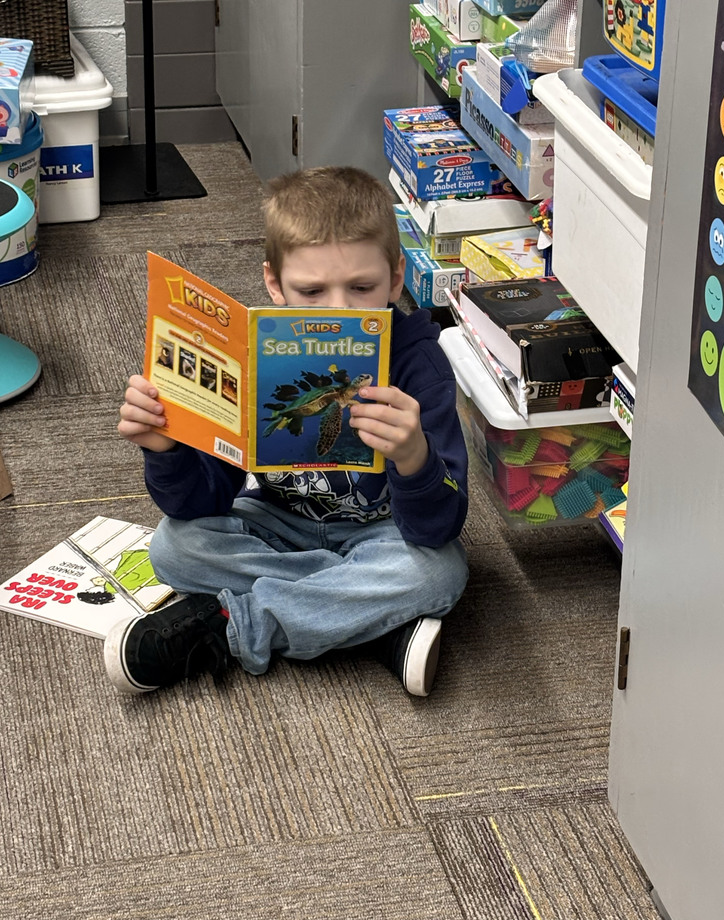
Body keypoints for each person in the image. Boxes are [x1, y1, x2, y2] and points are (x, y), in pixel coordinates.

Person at [108, 166, 469, 697]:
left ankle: (236, 626)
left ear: (396, 279)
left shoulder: (421, 366)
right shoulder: (253, 358)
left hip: (384, 536)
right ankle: (368, 624)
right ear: (274, 284)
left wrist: (414, 456)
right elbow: (197, 504)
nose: (339, 309)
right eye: (312, 291)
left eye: (363, 287)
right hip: (280, 525)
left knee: (438, 572)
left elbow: (439, 526)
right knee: (173, 547)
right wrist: (167, 450)